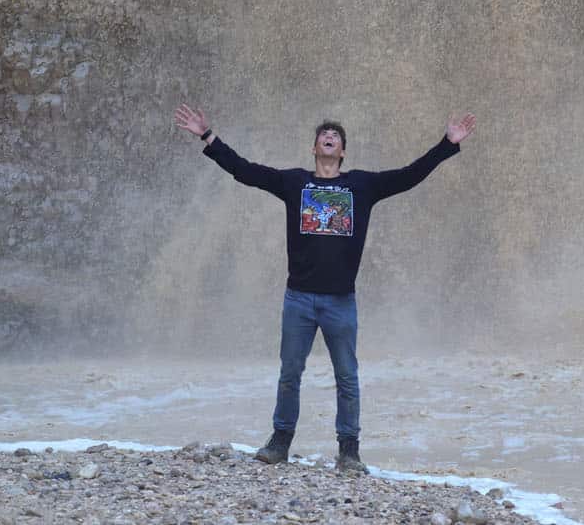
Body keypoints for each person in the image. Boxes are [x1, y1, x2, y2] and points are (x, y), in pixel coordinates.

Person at [173, 103, 476, 473]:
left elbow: (410, 175)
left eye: (336, 137)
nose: (329, 138)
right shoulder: (294, 182)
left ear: (343, 151)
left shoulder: (362, 185)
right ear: (314, 148)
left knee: (347, 376)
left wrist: (447, 143)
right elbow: (245, 171)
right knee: (290, 373)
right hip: (298, 298)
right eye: (323, 136)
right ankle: (280, 442)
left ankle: (349, 452)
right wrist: (208, 136)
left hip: (340, 302)